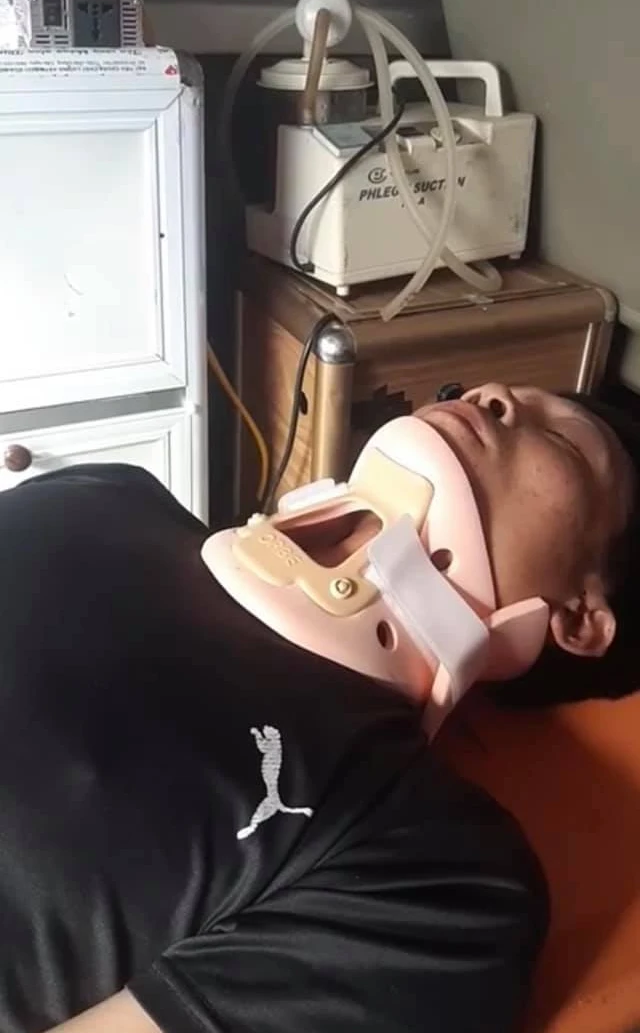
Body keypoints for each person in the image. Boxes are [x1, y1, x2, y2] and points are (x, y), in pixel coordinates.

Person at [0, 383, 638, 1033]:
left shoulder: (442, 883)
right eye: (466, 391)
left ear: (580, 620)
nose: (491, 392)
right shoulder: (108, 490)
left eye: (563, 440)